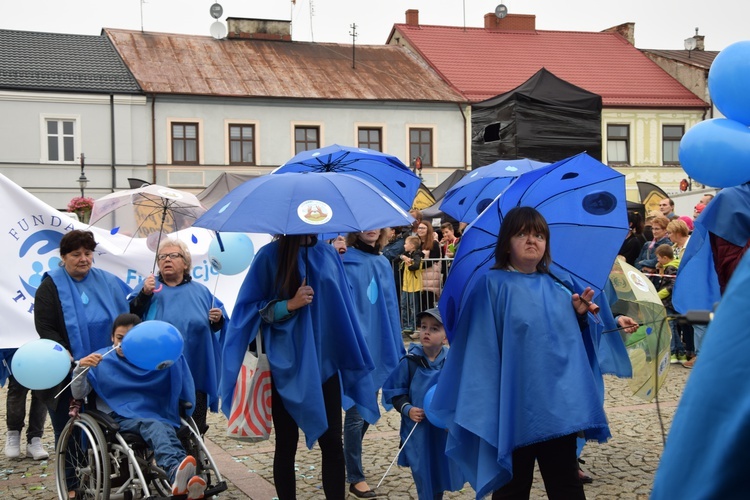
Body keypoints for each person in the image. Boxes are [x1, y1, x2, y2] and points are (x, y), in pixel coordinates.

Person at [430, 206, 610, 499]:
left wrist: (577, 316)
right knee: (512, 488)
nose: (532, 241)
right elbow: (480, 352)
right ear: (506, 242)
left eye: (539, 235)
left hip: (557, 408)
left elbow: (564, 346)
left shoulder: (558, 285)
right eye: (522, 233)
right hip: (513, 407)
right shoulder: (490, 285)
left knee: (566, 486)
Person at [219, 234, 378, 500]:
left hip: (323, 364)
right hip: (286, 366)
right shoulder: (270, 255)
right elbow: (248, 311)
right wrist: (289, 305)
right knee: (286, 444)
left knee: (332, 444)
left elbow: (343, 308)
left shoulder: (328, 255)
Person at [33, 229, 133, 490]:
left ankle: (109, 478)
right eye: (76, 254)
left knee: (115, 427)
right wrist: (67, 354)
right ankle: (72, 485)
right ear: (63, 257)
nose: (83, 259)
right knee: (69, 431)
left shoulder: (108, 282)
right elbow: (45, 327)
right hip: (65, 371)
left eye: (88, 253)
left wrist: (144, 293)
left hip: (108, 367)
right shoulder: (49, 286)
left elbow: (130, 315)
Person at [71, 313, 206, 499]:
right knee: (155, 424)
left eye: (130, 339)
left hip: (152, 411)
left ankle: (181, 476)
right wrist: (81, 369)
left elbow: (176, 378)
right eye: (120, 338)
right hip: (117, 416)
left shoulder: (150, 358)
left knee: (160, 423)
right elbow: (78, 394)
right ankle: (178, 472)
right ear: (112, 337)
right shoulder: (100, 359)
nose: (123, 344)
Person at [130, 238, 227, 435]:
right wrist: (144, 294)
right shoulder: (150, 288)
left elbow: (218, 325)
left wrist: (217, 319)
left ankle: (195, 461)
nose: (167, 260)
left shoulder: (200, 291)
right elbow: (131, 317)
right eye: (162, 257)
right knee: (164, 426)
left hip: (196, 369)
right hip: (159, 372)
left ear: (185, 262)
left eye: (173, 256)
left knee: (194, 427)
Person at [342, 229, 405, 498]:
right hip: (357, 347)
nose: (372, 229)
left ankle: (348, 462)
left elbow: (390, 307)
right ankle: (355, 475)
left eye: (377, 224)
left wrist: (394, 341)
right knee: (357, 413)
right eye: (366, 224)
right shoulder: (345, 262)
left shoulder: (381, 262)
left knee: (367, 407)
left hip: (379, 346)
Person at [382, 308, 466, 500]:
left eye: (434, 328)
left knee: (439, 471)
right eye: (423, 327)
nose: (426, 332)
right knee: (423, 473)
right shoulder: (409, 362)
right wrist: (408, 409)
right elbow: (395, 392)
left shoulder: (451, 363)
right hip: (418, 431)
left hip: (441, 433)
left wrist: (452, 419)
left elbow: (460, 394)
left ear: (446, 337)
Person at [2, 349, 49, 460]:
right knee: (17, 388)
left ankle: (35, 439)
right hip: (16, 346)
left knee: (41, 390)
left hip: (41, 347)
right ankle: (13, 433)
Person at [654, 244, 687, 364]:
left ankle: (673, 352)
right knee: (672, 327)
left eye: (658, 258)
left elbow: (670, 286)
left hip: (668, 303)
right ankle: (681, 353)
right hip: (672, 303)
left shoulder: (671, 268)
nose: (657, 260)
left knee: (670, 328)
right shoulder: (671, 266)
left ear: (665, 258)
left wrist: (657, 296)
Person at [399, 235, 423, 338]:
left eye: (406, 243)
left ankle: (413, 327)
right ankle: (405, 326)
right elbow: (397, 257)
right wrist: (402, 257)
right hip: (406, 285)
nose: (404, 245)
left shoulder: (417, 254)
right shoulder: (406, 254)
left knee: (413, 307)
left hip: (414, 285)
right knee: (404, 305)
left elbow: (415, 266)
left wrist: (409, 265)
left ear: (412, 246)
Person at [416, 221, 442, 312]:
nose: (420, 230)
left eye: (423, 228)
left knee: (428, 302)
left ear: (428, 230)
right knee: (420, 303)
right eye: (419, 228)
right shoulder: (417, 243)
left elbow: (434, 259)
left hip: (430, 278)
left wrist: (418, 265)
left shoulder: (433, 243)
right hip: (419, 277)